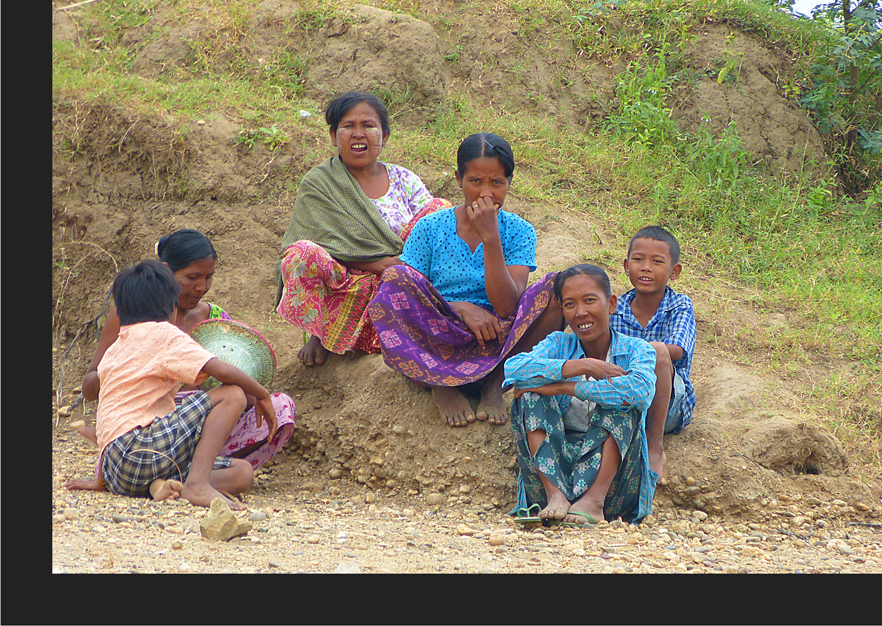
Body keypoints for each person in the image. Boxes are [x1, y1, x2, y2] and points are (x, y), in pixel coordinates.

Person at [368, 132, 564, 428]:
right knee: (395, 276)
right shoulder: (431, 227)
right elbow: (412, 297)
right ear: (459, 179)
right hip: (438, 334)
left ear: (509, 183)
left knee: (560, 288)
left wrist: (491, 238)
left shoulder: (520, 231)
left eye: (497, 183)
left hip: (498, 336)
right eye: (475, 181)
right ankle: (441, 383)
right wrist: (459, 307)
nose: (486, 193)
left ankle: (496, 382)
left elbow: (508, 304)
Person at [65, 260, 278, 510]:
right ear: (171, 307)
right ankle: (197, 485)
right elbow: (223, 372)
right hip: (143, 449)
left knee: (242, 472)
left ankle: (162, 485)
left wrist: (103, 479)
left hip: (118, 472)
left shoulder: (117, 347)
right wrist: (263, 395)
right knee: (232, 394)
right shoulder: (165, 334)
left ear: (120, 312)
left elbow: (111, 412)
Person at [78, 228, 296, 471]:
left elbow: (242, 386)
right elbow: (89, 387)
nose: (202, 287)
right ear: (166, 272)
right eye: (193, 277)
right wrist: (123, 370)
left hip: (203, 422)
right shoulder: (130, 315)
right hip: (146, 424)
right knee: (231, 395)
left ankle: (183, 468)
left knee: (279, 407)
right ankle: (190, 472)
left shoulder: (216, 321)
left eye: (208, 277)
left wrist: (247, 393)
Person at [276, 91, 451, 366]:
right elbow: (321, 240)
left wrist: (398, 266)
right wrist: (378, 264)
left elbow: (431, 233)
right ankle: (322, 333)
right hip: (346, 282)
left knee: (441, 209)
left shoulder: (404, 179)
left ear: (385, 136)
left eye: (368, 126)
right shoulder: (320, 183)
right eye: (348, 126)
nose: (358, 134)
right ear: (334, 137)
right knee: (300, 253)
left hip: (401, 276)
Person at [504, 264, 658, 525]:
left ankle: (593, 502)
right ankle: (556, 496)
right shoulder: (558, 343)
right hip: (555, 470)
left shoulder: (636, 349)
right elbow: (513, 370)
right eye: (570, 304)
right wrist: (581, 366)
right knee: (530, 394)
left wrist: (564, 387)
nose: (580, 312)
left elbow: (641, 392)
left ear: (611, 303)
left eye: (589, 301)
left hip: (613, 487)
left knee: (619, 397)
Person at [609, 225, 696, 483]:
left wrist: (633, 353)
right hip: (625, 396)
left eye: (657, 262)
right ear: (626, 266)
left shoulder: (679, 305)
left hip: (669, 405)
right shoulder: (616, 308)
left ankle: (654, 444)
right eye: (638, 259)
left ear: (674, 271)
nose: (646, 267)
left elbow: (678, 350)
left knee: (659, 352)